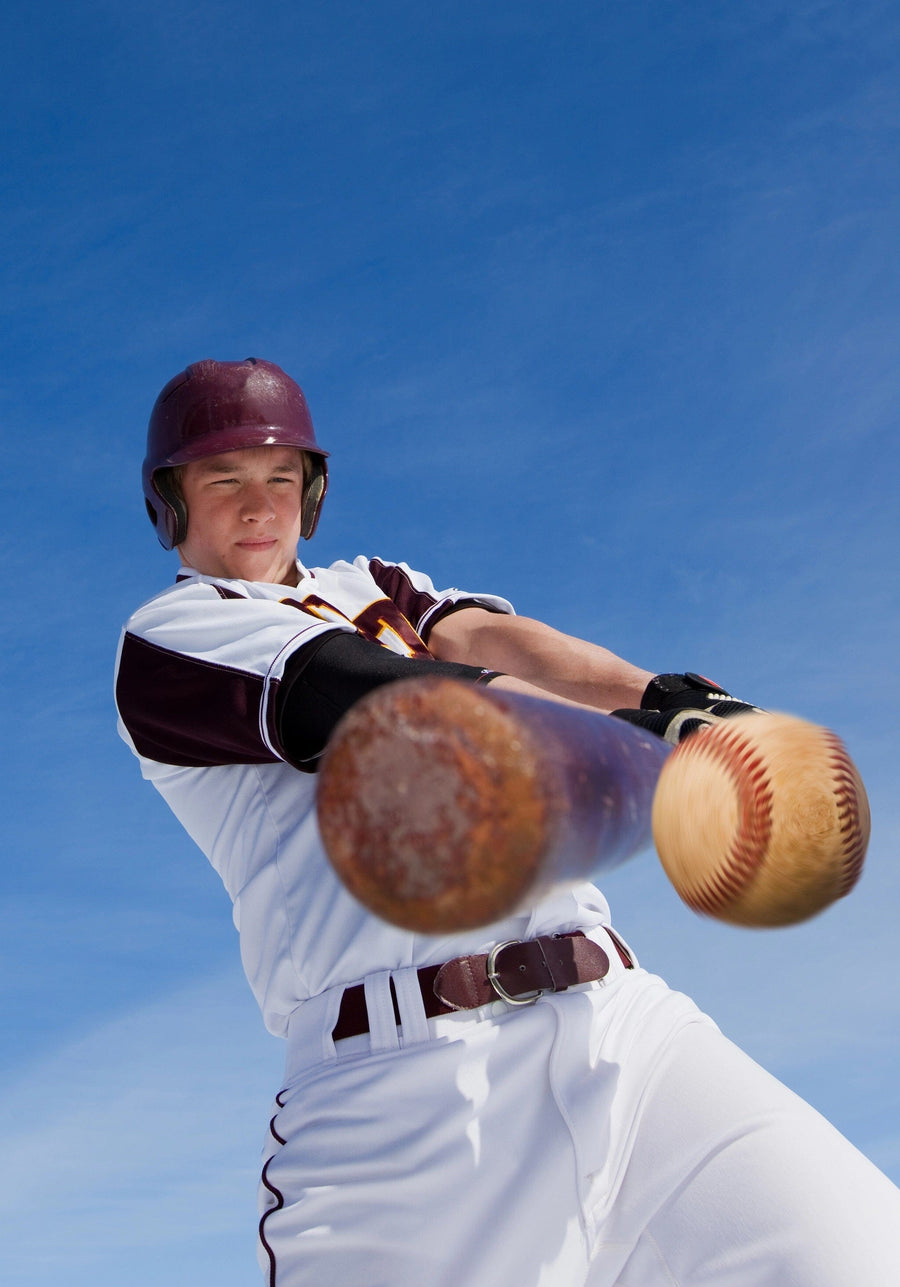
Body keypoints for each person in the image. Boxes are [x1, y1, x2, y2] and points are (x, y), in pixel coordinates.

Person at [115, 357, 900, 1287]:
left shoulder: (371, 584)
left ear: (312, 490)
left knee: (861, 1255)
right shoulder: (174, 636)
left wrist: (670, 699)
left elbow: (491, 642)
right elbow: (389, 701)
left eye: (281, 477)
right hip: (406, 1098)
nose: (259, 505)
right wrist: (649, 747)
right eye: (224, 479)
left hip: (620, 1026)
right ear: (172, 500)